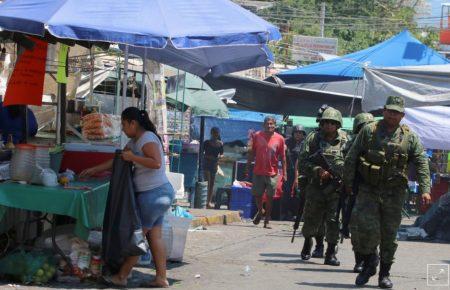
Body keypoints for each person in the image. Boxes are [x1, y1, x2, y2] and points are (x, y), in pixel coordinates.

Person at [80, 107, 174, 288]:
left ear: (133, 123)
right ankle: (161, 278)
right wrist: (94, 170)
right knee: (154, 237)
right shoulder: (134, 141)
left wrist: (133, 158)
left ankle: (122, 276)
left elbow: (156, 163)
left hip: (154, 195)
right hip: (159, 194)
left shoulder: (146, 138)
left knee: (137, 239)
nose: (122, 128)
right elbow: (119, 159)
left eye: (124, 124)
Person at [344, 96, 431, 288]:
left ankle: (384, 273)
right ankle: (369, 262)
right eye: (390, 111)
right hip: (369, 189)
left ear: (402, 115)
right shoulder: (369, 131)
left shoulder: (410, 137)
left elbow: (422, 163)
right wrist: (348, 183)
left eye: (396, 112)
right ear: (383, 111)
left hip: (394, 192)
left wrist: (425, 189)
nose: (392, 115)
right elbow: (352, 156)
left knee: (389, 234)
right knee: (364, 229)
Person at [298, 107, 347, 266]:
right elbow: (303, 163)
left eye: (332, 123)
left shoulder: (346, 141)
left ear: (338, 124)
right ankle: (308, 242)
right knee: (312, 217)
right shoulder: (312, 139)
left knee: (333, 220)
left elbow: (351, 162)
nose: (328, 125)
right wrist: (317, 170)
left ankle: (330, 252)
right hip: (316, 186)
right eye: (325, 122)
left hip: (336, 188)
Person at [343, 112, 374, 273]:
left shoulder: (378, 142)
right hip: (355, 189)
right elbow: (346, 162)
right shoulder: (350, 143)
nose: (366, 130)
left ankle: (370, 257)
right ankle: (359, 259)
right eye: (362, 127)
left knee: (373, 227)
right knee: (355, 227)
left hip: (374, 190)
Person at [246, 116, 287, 229]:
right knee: (257, 194)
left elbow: (283, 157)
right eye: (267, 124)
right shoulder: (257, 136)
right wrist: (247, 167)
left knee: (270, 197)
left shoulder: (280, 139)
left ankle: (267, 220)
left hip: (272, 173)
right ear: (264, 125)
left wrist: (285, 173)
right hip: (258, 171)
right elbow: (251, 153)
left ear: (275, 125)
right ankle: (260, 211)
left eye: (271, 124)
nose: (269, 126)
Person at [281, 125, 306, 220]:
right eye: (296, 132)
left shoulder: (305, 144)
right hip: (288, 171)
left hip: (301, 171)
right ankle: (285, 213)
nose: (298, 134)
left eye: (300, 133)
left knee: (298, 193)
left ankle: (297, 213)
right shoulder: (287, 142)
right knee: (286, 192)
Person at [202, 127, 224, 209]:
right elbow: (202, 153)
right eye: (214, 132)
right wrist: (208, 157)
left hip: (214, 164)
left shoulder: (220, 144)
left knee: (211, 184)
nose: (215, 134)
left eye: (216, 133)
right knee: (207, 182)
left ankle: (209, 202)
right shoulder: (207, 143)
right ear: (211, 133)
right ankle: (204, 201)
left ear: (218, 133)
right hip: (207, 163)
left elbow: (222, 153)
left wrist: (220, 157)